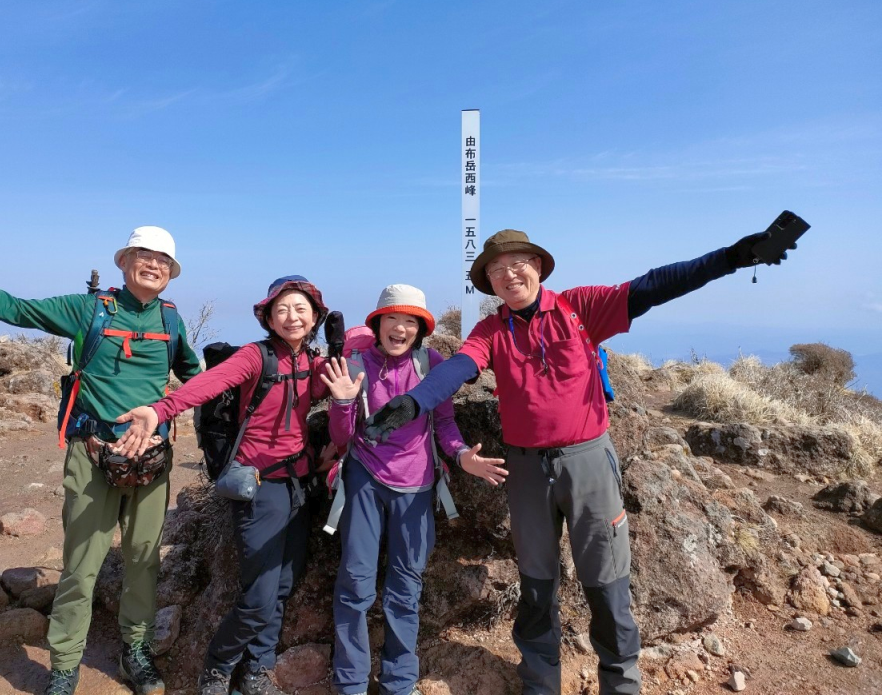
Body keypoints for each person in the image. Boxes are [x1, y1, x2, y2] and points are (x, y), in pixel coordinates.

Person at [362, 228, 795, 695]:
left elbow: (655, 285)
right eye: (495, 269)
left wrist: (732, 257)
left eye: (517, 263)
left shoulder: (578, 308)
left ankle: (620, 683)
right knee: (535, 583)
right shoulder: (490, 329)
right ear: (488, 280)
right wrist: (415, 402)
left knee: (607, 581)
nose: (508, 274)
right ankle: (540, 683)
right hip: (526, 469)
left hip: (587, 460)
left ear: (539, 266)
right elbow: (462, 365)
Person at [0, 226, 202, 695]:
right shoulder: (90, 309)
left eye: (164, 260)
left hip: (149, 460)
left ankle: (134, 651)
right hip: (92, 454)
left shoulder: (171, 320)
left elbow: (195, 377)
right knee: (82, 565)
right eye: (145, 255)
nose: (154, 264)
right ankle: (64, 665)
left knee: (143, 561)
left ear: (171, 273)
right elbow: (14, 308)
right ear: (124, 262)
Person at [116, 275, 331, 695]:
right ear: (268, 316)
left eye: (302, 309)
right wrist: (161, 410)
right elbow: (205, 385)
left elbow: (349, 381)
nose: (293, 317)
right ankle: (216, 668)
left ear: (315, 318)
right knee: (257, 598)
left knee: (284, 586)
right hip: (258, 485)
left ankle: (257, 671)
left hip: (300, 486)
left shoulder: (313, 362)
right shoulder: (256, 357)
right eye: (283, 309)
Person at [320, 284, 507, 695]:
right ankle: (350, 684)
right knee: (355, 585)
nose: (400, 329)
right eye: (393, 319)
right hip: (364, 481)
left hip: (418, 485)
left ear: (420, 329)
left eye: (410, 322)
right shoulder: (356, 366)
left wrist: (461, 457)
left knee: (405, 589)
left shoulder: (431, 363)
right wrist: (343, 402)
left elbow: (444, 424)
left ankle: (398, 683)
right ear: (378, 323)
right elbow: (343, 435)